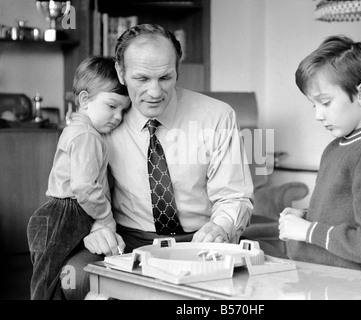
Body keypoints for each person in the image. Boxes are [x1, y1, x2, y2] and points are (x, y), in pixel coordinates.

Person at [62, 24, 259, 300]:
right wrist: (96, 225)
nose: (155, 92)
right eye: (141, 79)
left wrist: (221, 227)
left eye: (165, 78)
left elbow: (234, 196)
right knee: (75, 277)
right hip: (127, 239)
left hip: (199, 240)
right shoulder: (104, 119)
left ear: (178, 70)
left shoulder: (217, 116)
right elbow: (80, 187)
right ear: (121, 72)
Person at [279, 35, 361, 274]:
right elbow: (345, 217)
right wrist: (307, 217)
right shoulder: (338, 147)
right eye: (314, 105)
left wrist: (307, 231)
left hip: (352, 290)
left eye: (325, 103)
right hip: (319, 281)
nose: (318, 115)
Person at [26, 56, 130, 299]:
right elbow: (84, 186)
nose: (118, 116)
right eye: (112, 106)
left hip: (60, 212)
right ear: (85, 100)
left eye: (123, 110)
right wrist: (105, 217)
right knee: (47, 285)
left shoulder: (76, 129)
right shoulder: (87, 136)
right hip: (67, 212)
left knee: (48, 280)